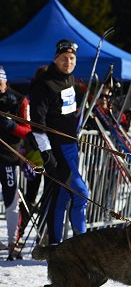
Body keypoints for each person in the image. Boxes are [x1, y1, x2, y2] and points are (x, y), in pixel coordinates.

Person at [29, 39, 90, 245]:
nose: (68, 62)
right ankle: (78, 242)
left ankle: (57, 243)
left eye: (72, 58)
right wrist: (47, 153)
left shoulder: (71, 80)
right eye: (64, 58)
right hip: (56, 148)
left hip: (71, 145)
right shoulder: (44, 83)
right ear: (56, 59)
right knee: (81, 192)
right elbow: (37, 122)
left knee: (63, 194)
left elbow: (68, 109)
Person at [0, 67, 32, 260]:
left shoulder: (19, 100)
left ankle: (13, 242)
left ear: (5, 82)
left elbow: (28, 130)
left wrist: (12, 126)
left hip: (9, 158)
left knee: (11, 202)